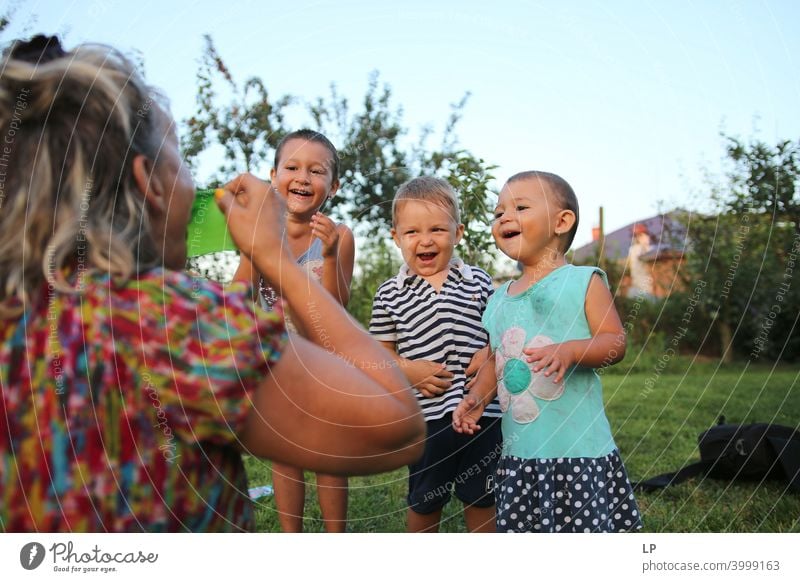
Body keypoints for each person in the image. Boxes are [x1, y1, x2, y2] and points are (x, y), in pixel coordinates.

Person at [0, 35, 424, 533]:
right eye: (182, 161)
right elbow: (395, 429)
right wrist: (272, 256)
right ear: (150, 184)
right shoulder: (165, 321)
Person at [453, 171, 642, 533]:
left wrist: (572, 351)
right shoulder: (497, 299)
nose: (504, 217)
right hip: (520, 454)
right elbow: (496, 362)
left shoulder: (583, 280)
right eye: (498, 213)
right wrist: (476, 398)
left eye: (520, 207)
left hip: (577, 452)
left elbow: (615, 342)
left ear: (562, 221)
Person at [233, 129, 354, 533]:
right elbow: (237, 295)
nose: (303, 177)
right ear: (273, 176)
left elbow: (338, 311)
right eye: (292, 167)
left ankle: (335, 538)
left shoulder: (340, 237)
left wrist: (333, 252)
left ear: (332, 186)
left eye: (316, 171)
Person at [369, 177, 502, 533]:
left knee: (483, 497)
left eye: (437, 229)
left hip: (484, 414)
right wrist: (406, 370)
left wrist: (490, 353)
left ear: (457, 233)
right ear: (396, 237)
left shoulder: (479, 281)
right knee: (426, 499)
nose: (425, 240)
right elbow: (377, 357)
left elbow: (504, 336)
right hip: (427, 420)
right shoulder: (389, 294)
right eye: (412, 232)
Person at [627, 223, 654, 299]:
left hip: (640, 286)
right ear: (638, 237)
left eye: (646, 235)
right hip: (644, 287)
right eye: (644, 235)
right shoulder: (638, 249)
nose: (647, 237)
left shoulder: (633, 249)